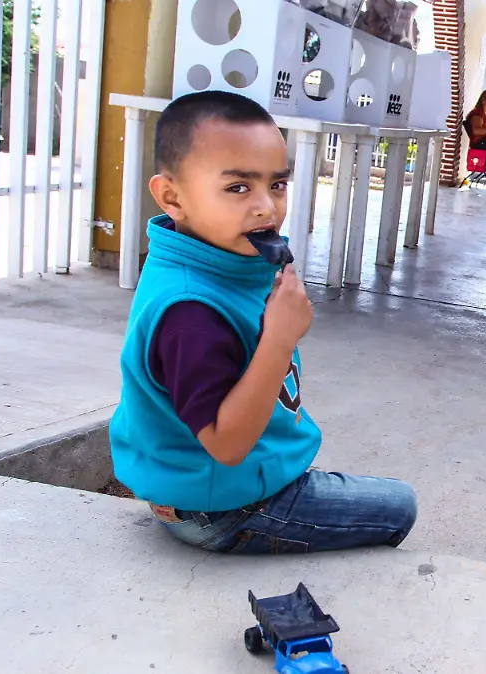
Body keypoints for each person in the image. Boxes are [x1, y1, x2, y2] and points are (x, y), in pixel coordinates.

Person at [108, 91, 417, 552]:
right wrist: (280, 336)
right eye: (237, 188)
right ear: (172, 196)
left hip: (207, 488)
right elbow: (227, 445)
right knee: (400, 506)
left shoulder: (217, 260)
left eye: (277, 185)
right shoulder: (190, 311)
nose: (266, 208)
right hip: (223, 510)